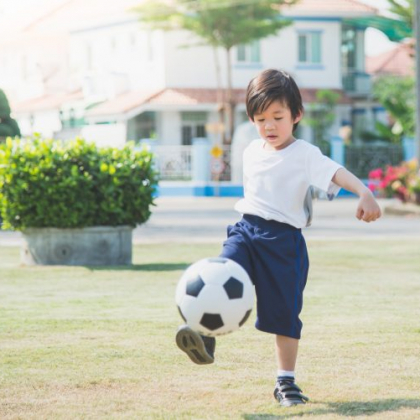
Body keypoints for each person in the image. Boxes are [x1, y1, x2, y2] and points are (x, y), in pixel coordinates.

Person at [175, 69, 382, 407]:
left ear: (296, 115)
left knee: (284, 315)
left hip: (284, 242)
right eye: (260, 119)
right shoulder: (251, 151)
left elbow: (335, 172)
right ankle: (202, 333)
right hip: (246, 230)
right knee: (219, 273)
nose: (269, 126)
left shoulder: (305, 154)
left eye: (277, 117)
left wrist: (364, 191)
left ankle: (286, 383)